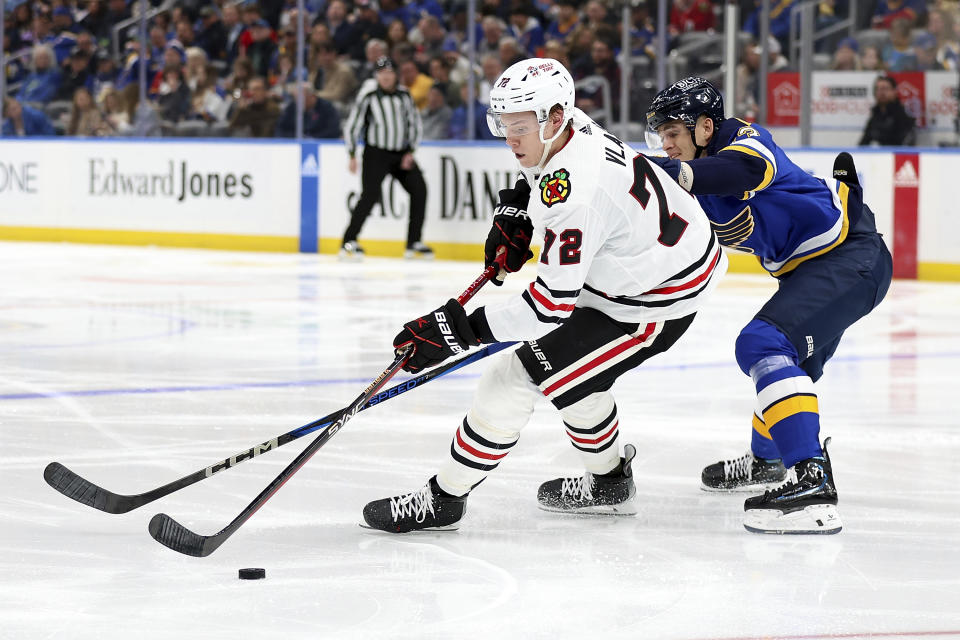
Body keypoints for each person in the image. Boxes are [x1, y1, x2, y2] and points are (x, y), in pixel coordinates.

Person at [360, 58, 727, 533]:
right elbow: (543, 174)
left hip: (657, 296)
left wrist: (458, 330)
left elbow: (549, 306)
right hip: (640, 267)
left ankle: (444, 498)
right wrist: (518, 208)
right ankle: (611, 483)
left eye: (520, 126)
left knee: (512, 378)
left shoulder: (575, 191)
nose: (511, 138)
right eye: (503, 124)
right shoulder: (568, 123)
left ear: (554, 117)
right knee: (572, 378)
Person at [645, 77, 893, 534]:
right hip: (820, 269)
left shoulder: (745, 140)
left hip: (850, 257)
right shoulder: (693, 184)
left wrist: (666, 171)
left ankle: (812, 482)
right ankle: (768, 462)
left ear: (705, 128)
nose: (667, 145)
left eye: (674, 133)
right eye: (660, 136)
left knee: (762, 342)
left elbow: (739, 173)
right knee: (786, 364)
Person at [341, 56, 432, 260]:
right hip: (376, 153)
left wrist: (411, 152)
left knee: (420, 190)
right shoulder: (369, 95)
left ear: (395, 76)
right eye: (382, 73)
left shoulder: (404, 95)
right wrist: (352, 154)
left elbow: (415, 124)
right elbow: (353, 125)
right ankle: (348, 240)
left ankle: (413, 242)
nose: (385, 77)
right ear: (377, 76)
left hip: (401, 154)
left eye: (389, 73)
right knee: (370, 196)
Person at [859, 74, 916, 146]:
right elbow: (863, 144)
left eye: (885, 89)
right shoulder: (875, 116)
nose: (882, 93)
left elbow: (905, 144)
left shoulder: (902, 116)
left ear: (894, 91)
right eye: (878, 89)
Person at [274, 83, 341, 138]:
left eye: (301, 99)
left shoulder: (327, 108)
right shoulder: (292, 107)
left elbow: (333, 130)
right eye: (296, 99)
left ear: (312, 96)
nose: (298, 102)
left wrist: (313, 138)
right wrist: (295, 137)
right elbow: (280, 129)